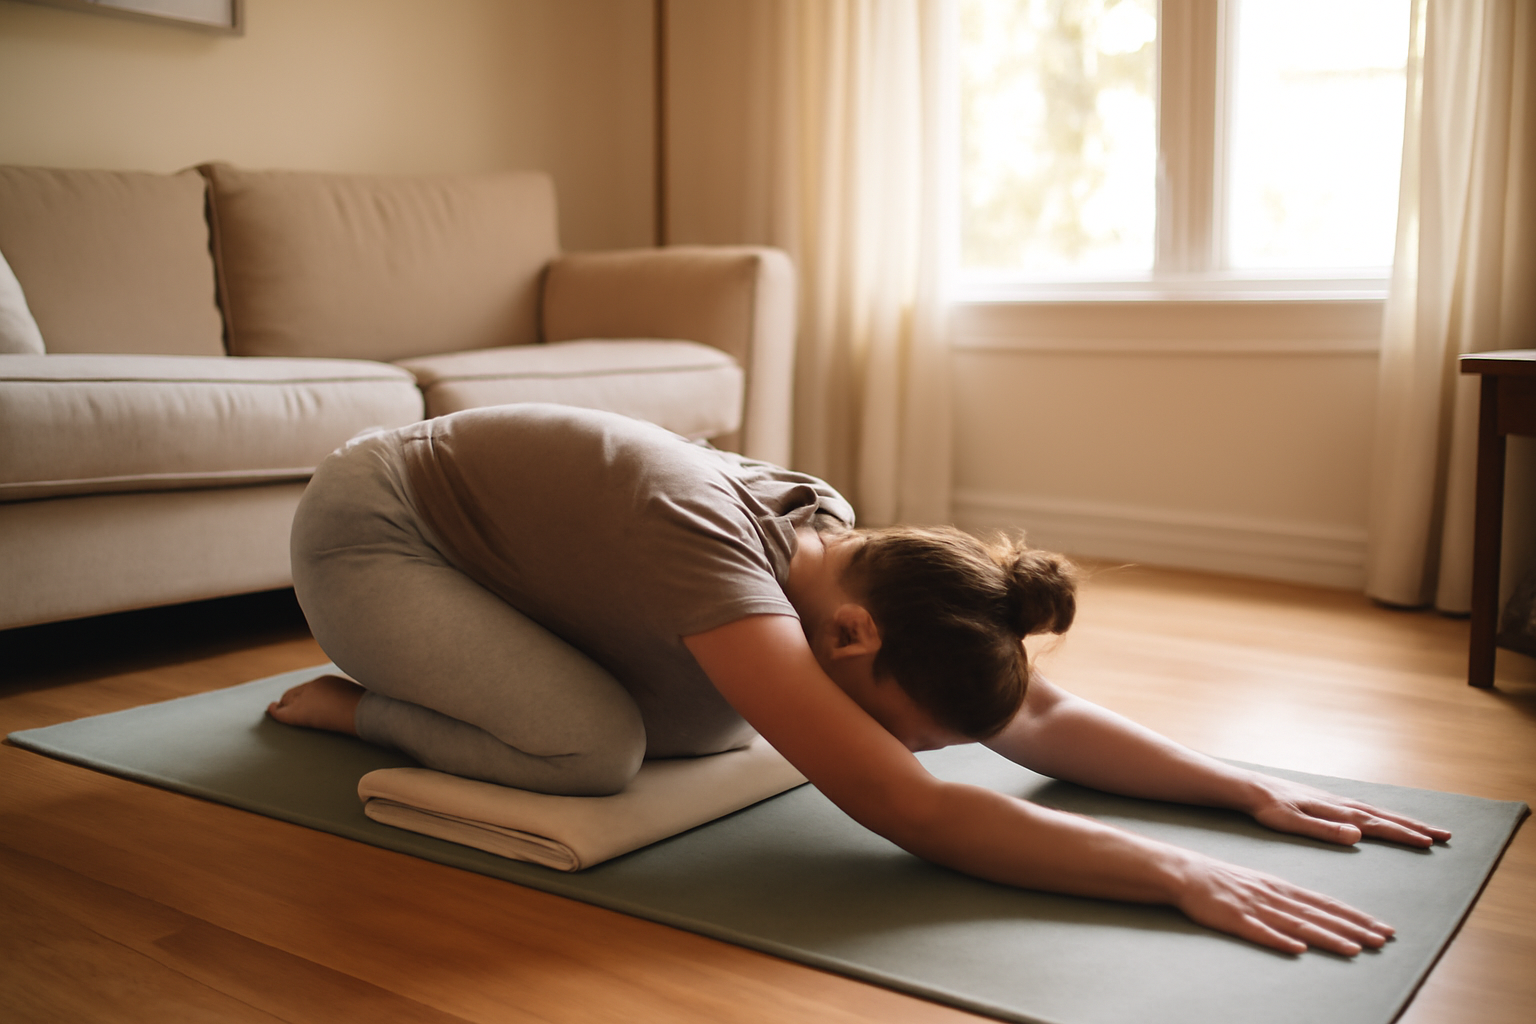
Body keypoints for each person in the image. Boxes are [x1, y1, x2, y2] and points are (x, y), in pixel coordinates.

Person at [268, 403, 1450, 957]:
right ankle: (359, 701)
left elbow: (1034, 711)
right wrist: (1173, 870)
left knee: (712, 721)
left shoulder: (842, 549)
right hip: (376, 533)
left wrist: (1238, 793)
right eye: (899, 720)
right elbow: (910, 807)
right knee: (599, 750)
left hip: (510, 548)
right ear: (850, 641)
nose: (901, 746)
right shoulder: (712, 548)